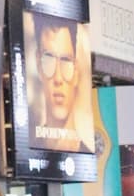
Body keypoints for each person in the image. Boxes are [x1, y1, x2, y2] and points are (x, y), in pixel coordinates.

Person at [35, 18, 92, 153]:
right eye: (48, 60)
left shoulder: (89, 159)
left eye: (66, 60)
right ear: (38, 66)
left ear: (76, 71)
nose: (58, 78)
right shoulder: (28, 150)